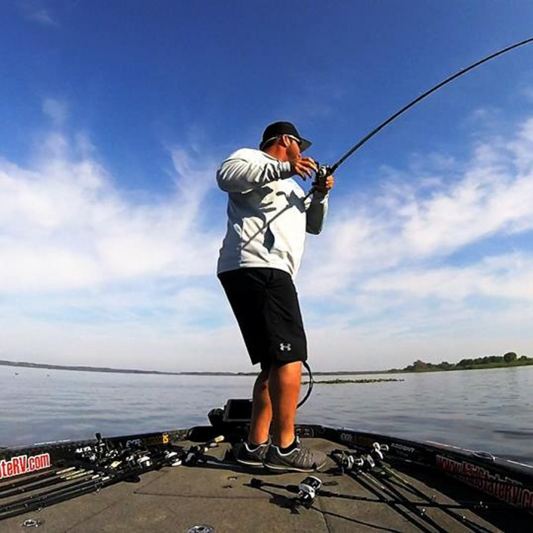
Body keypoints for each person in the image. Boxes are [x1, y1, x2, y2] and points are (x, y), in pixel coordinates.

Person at [216, 121, 335, 472]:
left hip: (265, 272)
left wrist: (320, 193)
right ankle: (285, 448)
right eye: (301, 146)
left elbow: (314, 225)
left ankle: (254, 446)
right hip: (260, 267)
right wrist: (285, 167)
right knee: (290, 357)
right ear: (287, 141)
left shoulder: (292, 188)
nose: (305, 154)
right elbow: (226, 176)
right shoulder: (250, 159)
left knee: (273, 362)